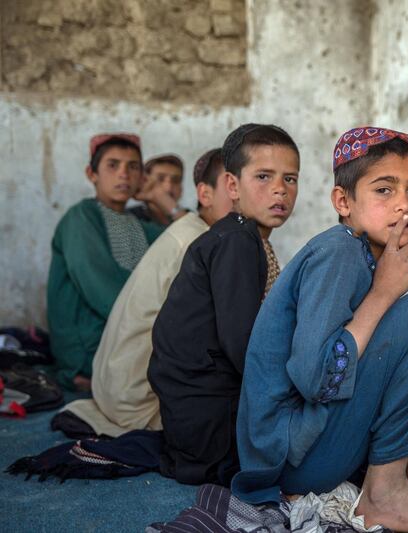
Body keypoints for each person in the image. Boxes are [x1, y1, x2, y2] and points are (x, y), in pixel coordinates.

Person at [233, 127, 408, 532]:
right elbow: (315, 379)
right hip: (292, 453)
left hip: (328, 441)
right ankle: (384, 494)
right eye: (384, 190)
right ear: (343, 201)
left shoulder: (372, 257)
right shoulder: (337, 252)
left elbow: (379, 361)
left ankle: (384, 467)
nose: (404, 204)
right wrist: (384, 294)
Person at [147, 124, 299, 486]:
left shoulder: (245, 236)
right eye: (264, 176)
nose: (280, 189)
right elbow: (244, 346)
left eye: (290, 179)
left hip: (194, 415)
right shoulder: (236, 243)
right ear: (232, 186)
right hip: (206, 422)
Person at [61, 149, 233, 437]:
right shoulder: (83, 217)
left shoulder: (180, 229)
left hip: (112, 383)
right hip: (131, 394)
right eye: (233, 188)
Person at [47, 133, 163, 391]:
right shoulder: (81, 218)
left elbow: (186, 244)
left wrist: (160, 200)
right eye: (113, 165)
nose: (124, 174)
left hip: (129, 338)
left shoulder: (139, 226)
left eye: (133, 167)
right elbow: (102, 290)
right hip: (88, 350)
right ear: (92, 174)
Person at [129, 153, 188, 228]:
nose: (168, 187)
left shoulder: (188, 216)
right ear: (145, 182)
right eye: (160, 179)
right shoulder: (131, 217)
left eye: (175, 180)